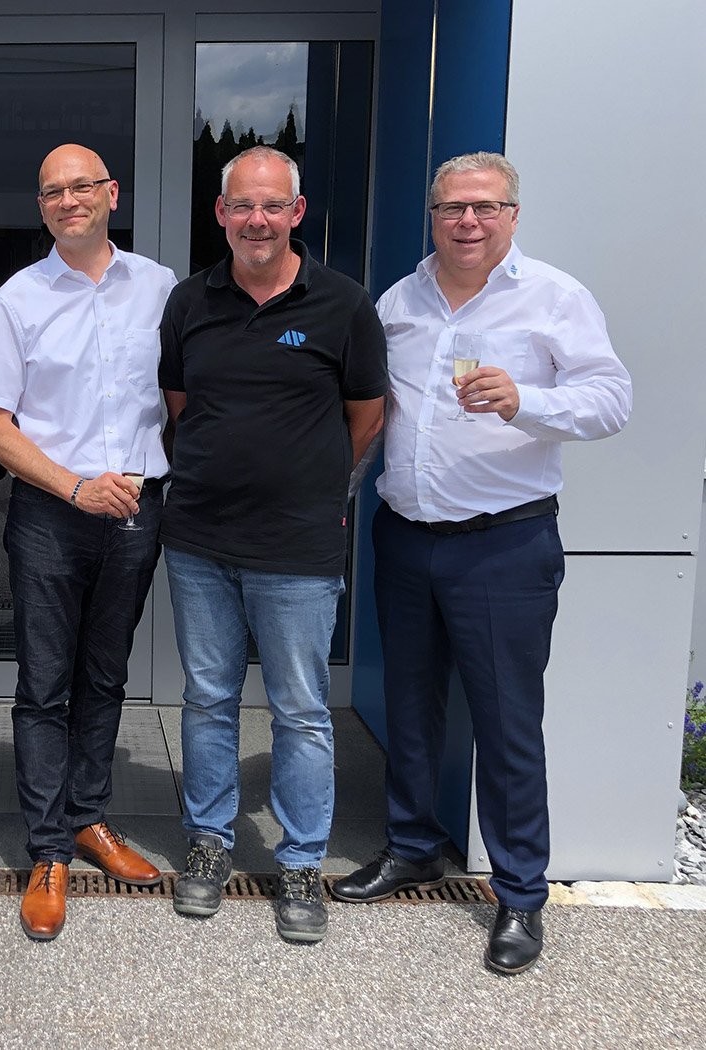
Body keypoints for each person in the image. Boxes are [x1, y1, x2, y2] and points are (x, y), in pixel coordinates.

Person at [331, 152, 631, 974]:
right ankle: (413, 847)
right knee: (410, 705)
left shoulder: (555, 297)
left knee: (506, 722)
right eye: (451, 207)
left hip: (504, 544)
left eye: (484, 207)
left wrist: (526, 401)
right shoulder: (399, 301)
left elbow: (612, 400)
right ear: (432, 215)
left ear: (512, 214)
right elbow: (377, 415)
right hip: (406, 536)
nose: (467, 221)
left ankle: (520, 893)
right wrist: (338, 495)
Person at [159, 146, 387, 942]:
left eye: (272, 205)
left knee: (300, 712)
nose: (257, 220)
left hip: (297, 548)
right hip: (200, 540)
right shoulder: (190, 301)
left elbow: (367, 416)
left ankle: (300, 861)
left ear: (297, 212)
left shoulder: (345, 305)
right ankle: (209, 842)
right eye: (242, 206)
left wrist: (310, 488)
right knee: (208, 699)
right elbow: (182, 405)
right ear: (220, 213)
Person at [0, 144, 177, 941]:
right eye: (52, 191)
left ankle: (90, 818)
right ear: (42, 206)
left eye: (81, 186)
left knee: (106, 675)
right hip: (52, 513)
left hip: (137, 510)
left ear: (111, 194)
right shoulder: (16, 300)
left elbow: (186, 397)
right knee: (45, 686)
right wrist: (75, 487)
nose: (68, 200)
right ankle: (48, 849)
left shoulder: (160, 288)